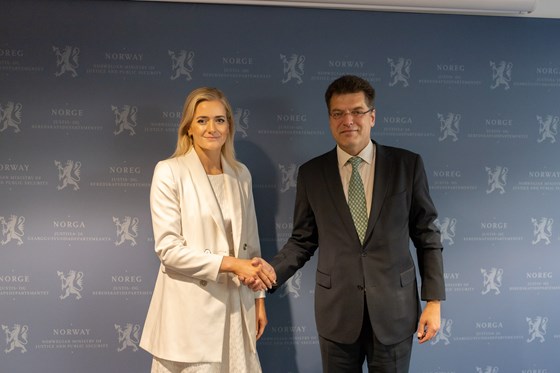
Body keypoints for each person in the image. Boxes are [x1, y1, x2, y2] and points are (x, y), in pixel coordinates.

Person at [252, 75, 445, 372]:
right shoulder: (312, 174)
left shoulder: (406, 166)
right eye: (338, 113)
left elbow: (427, 235)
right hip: (337, 315)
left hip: (395, 312)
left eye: (357, 111)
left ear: (372, 117)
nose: (348, 120)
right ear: (329, 119)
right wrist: (269, 274)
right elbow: (303, 240)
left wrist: (433, 300)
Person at [140, 87, 276, 373]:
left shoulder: (240, 174)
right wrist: (231, 265)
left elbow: (250, 248)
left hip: (237, 309)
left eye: (219, 120)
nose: (211, 128)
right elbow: (169, 251)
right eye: (202, 120)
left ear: (229, 126)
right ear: (188, 127)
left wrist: (259, 300)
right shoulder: (169, 171)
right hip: (189, 315)